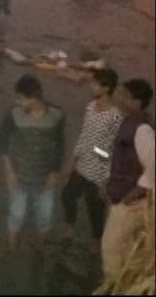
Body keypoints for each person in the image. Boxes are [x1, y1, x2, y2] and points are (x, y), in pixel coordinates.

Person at [0, 74, 65, 251]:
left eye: (21, 99)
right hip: (20, 176)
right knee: (16, 215)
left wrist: (55, 172)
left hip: (45, 178)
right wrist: (9, 172)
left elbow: (59, 145)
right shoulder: (13, 115)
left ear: (34, 98)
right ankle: (12, 250)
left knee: (45, 217)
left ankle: (39, 249)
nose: (18, 102)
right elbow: (2, 143)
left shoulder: (56, 116)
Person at [60, 68, 122, 251]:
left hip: (99, 169)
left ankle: (97, 240)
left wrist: (106, 172)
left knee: (94, 207)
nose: (92, 87)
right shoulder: (90, 107)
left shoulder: (115, 116)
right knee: (68, 195)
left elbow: (115, 149)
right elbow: (84, 135)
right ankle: (70, 228)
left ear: (107, 88)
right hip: (82, 164)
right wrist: (74, 159)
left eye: (96, 84)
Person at [101, 79, 154, 281]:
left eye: (124, 96)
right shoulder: (129, 122)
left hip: (131, 203)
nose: (119, 99)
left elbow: (153, 167)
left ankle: (114, 285)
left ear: (136, 101)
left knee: (111, 248)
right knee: (127, 249)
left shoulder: (142, 130)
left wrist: (133, 194)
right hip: (124, 197)